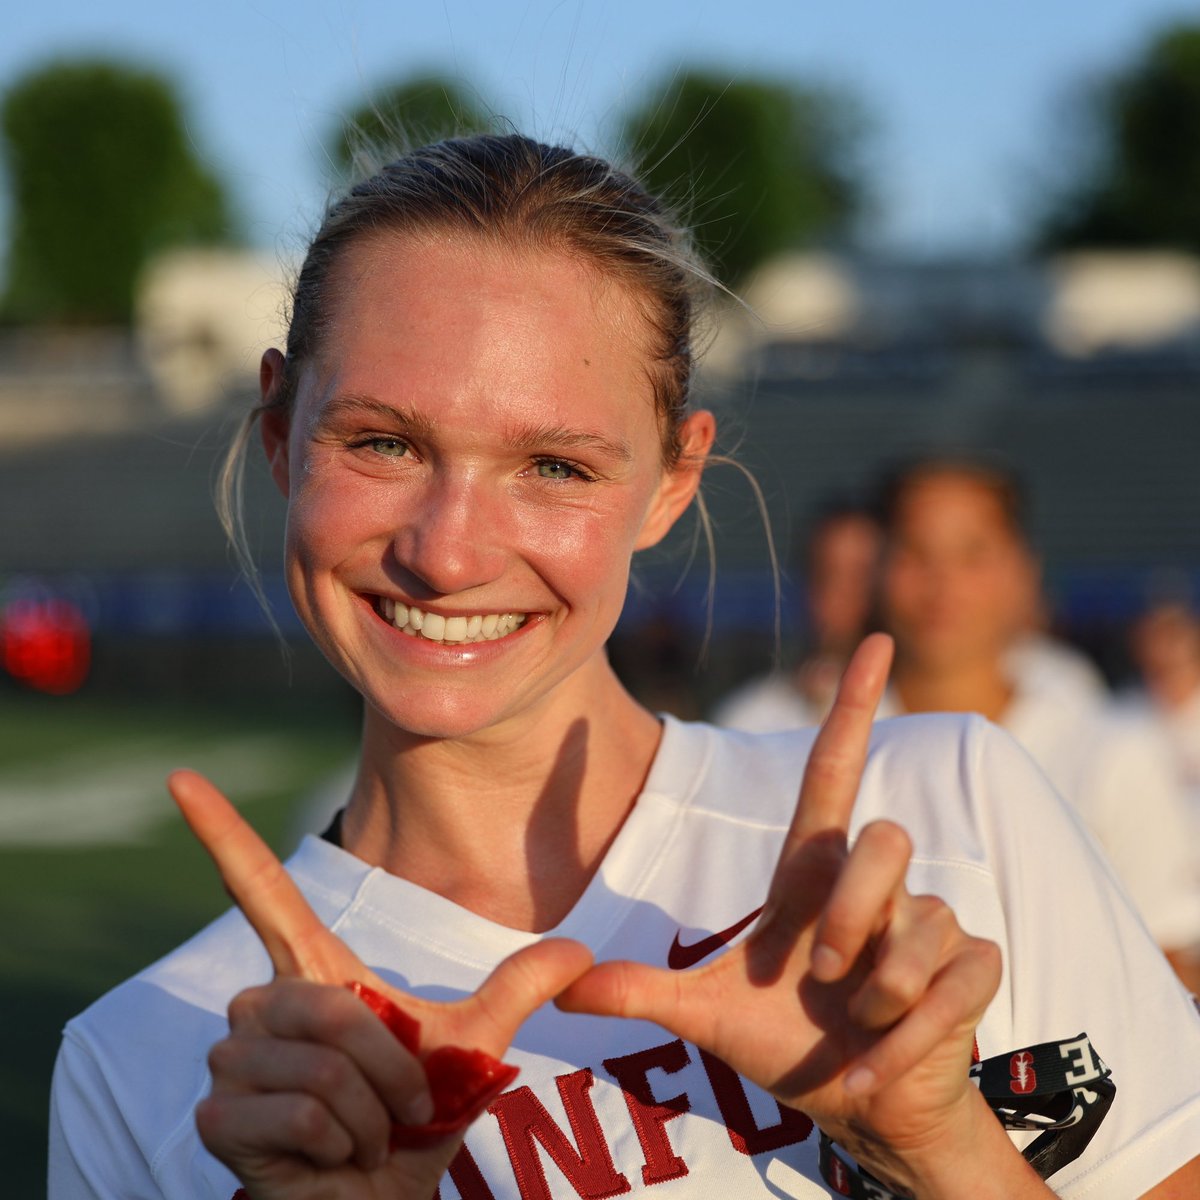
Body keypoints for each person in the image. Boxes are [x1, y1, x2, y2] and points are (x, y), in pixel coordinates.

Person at [49, 135, 1200, 1200]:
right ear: (277, 434)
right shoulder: (146, 1058)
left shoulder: (950, 811)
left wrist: (942, 1148)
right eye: (383, 442)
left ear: (672, 480)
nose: (446, 551)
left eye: (552, 465)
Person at [875, 456, 1200, 989]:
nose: (943, 582)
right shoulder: (820, 743)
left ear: (1022, 569)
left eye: (972, 553)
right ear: (881, 565)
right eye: (916, 552)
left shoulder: (1110, 752)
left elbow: (1168, 970)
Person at [712, 502, 883, 731]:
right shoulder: (751, 719)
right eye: (828, 576)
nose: (845, 595)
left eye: (863, 577)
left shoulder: (928, 710)